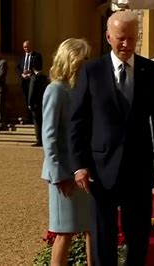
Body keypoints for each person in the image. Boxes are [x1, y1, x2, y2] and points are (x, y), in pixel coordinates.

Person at [68, 10, 154, 266]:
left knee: (138, 238)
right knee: (104, 239)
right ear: (108, 37)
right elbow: (77, 122)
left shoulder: (151, 70)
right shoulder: (92, 71)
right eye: (120, 38)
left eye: (132, 38)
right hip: (100, 170)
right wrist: (79, 165)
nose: (126, 44)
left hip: (139, 168)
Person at [41, 38, 93, 266]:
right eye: (83, 59)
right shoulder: (56, 90)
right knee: (65, 232)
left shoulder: (82, 89)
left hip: (85, 171)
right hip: (63, 175)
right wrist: (59, 174)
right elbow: (49, 136)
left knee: (93, 229)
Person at [16, 40, 44, 146]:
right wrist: (22, 74)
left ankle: (33, 118)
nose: (26, 48)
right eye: (24, 47)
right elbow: (18, 67)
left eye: (27, 47)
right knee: (26, 99)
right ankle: (28, 116)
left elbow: (39, 69)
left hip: (34, 81)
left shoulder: (37, 56)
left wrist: (31, 73)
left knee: (32, 101)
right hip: (25, 82)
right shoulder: (22, 57)